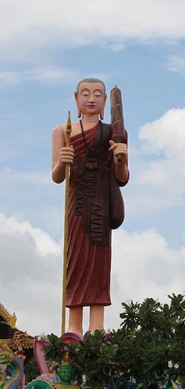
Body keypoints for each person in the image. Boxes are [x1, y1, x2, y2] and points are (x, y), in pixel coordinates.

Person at [51, 77, 129, 336]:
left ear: (106, 101)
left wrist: (120, 158)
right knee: (75, 259)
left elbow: (122, 177)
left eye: (98, 94)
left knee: (98, 264)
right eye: (85, 93)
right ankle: (74, 327)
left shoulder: (113, 133)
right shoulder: (64, 131)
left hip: (101, 205)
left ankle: (96, 328)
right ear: (76, 98)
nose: (91, 99)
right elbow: (57, 176)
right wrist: (63, 161)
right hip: (78, 203)